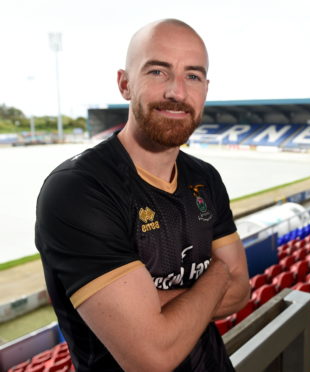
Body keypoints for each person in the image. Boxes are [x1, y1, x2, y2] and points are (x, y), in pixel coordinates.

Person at [35, 19, 250, 372]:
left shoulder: (206, 178)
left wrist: (153, 308)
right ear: (125, 84)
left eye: (193, 76)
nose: (177, 93)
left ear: (205, 89)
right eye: (158, 72)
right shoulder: (78, 189)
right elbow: (152, 356)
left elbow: (241, 291)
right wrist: (217, 274)